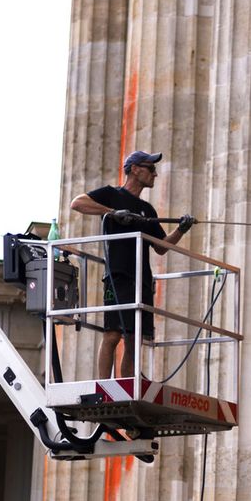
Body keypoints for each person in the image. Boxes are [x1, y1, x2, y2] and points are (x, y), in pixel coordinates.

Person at [70, 151, 195, 379]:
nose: (155, 174)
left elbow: (161, 246)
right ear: (135, 169)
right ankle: (104, 385)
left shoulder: (148, 210)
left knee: (134, 336)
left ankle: (129, 379)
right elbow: (77, 203)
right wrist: (112, 213)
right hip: (118, 276)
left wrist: (181, 229)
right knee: (113, 333)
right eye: (150, 168)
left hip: (141, 279)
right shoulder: (111, 194)